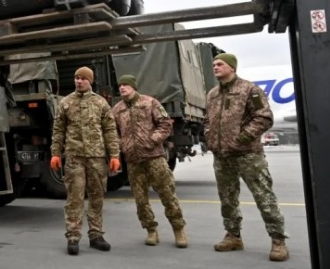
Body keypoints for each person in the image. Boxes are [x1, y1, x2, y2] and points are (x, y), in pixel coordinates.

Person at [204, 53, 289, 262]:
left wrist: (241, 138)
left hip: (248, 155)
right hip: (222, 156)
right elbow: (208, 120)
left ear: (232, 67)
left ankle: (278, 241)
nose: (215, 67)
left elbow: (264, 117)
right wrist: (209, 137)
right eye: (214, 64)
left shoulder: (249, 89)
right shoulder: (213, 94)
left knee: (264, 197)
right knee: (227, 199)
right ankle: (233, 236)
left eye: (220, 64)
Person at [50, 66, 121, 255]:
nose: (79, 81)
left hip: (97, 157)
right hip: (74, 157)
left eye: (83, 78)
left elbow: (110, 131)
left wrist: (114, 155)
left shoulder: (101, 103)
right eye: (76, 78)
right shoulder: (65, 103)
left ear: (90, 81)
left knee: (97, 197)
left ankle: (96, 235)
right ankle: (73, 237)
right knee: (75, 198)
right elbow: (58, 131)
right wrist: (55, 153)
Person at [111, 75, 188, 248]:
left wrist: (153, 139)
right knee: (140, 200)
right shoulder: (117, 109)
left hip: (154, 158)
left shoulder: (149, 102)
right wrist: (120, 147)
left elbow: (166, 123)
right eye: (120, 85)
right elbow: (112, 132)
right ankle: (151, 230)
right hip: (133, 161)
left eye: (126, 85)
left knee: (167, 194)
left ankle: (178, 229)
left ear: (133, 87)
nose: (122, 88)